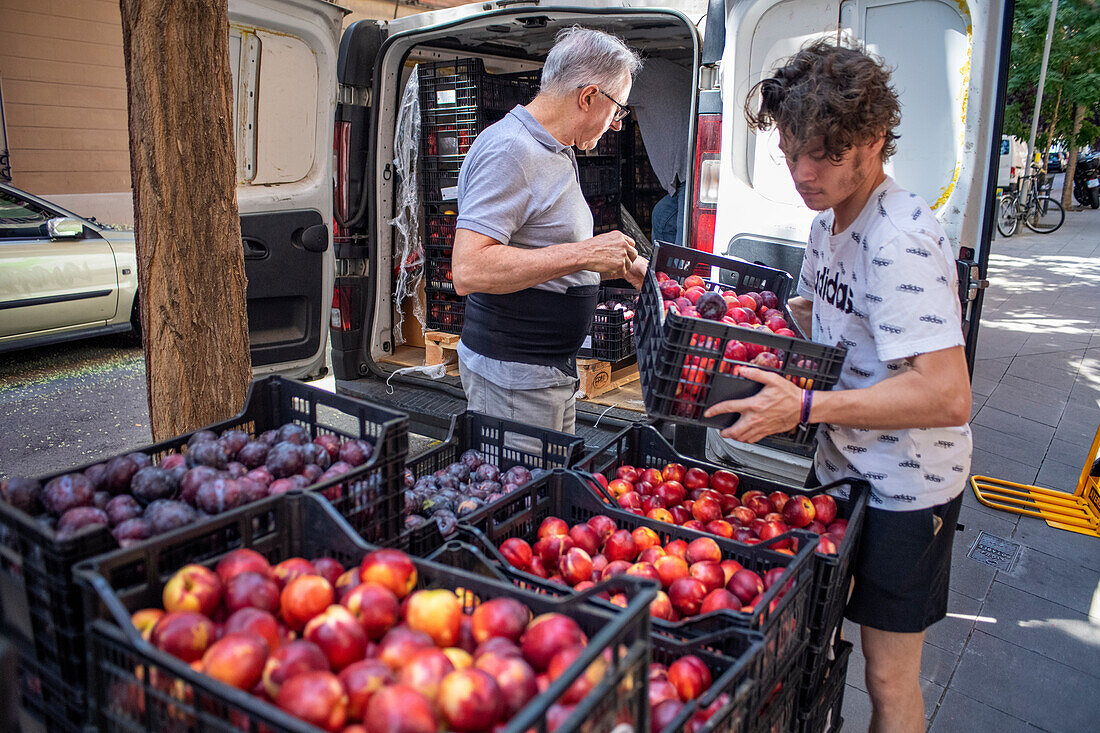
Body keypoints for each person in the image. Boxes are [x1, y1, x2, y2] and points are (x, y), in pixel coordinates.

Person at [705, 40, 973, 733]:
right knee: (820, 639)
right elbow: (824, 317)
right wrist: (750, 323)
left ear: (873, 138)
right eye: (792, 151)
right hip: (842, 466)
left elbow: (947, 393)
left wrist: (803, 405)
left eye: (821, 152)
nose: (802, 171)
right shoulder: (827, 222)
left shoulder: (902, 238)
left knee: (888, 675)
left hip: (905, 486)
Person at [451, 27, 647, 433]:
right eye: (618, 109)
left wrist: (628, 267)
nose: (616, 125)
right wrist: (584, 254)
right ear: (588, 97)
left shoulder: (553, 149)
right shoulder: (511, 151)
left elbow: (549, 240)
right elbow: (470, 270)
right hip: (513, 379)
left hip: (545, 375)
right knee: (521, 494)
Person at [628, 56, 692, 245]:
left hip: (690, 174)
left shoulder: (641, 77)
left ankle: (676, 275)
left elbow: (602, 94)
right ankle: (663, 273)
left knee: (684, 248)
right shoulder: (671, 71)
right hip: (685, 177)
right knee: (663, 214)